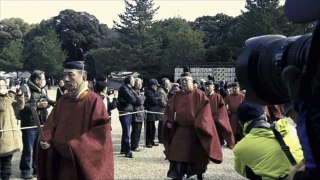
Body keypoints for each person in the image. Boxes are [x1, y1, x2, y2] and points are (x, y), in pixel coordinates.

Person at [36, 61, 114, 179]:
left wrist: (74, 146)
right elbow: (50, 125)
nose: (66, 79)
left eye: (71, 75)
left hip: (81, 162)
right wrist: (45, 138)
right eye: (64, 75)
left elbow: (101, 134)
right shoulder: (63, 101)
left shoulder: (94, 101)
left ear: (83, 77)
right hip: (61, 163)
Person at [163, 72, 222, 180]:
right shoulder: (176, 96)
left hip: (195, 131)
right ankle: (177, 174)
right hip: (179, 130)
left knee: (195, 154)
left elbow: (205, 113)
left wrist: (199, 124)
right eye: (182, 80)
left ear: (192, 81)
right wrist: (169, 121)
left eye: (187, 80)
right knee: (177, 153)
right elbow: (168, 110)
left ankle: (196, 174)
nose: (184, 82)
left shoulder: (200, 95)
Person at [233, 102, 304, 179]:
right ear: (265, 116)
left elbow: (241, 171)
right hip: (302, 175)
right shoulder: (289, 128)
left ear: (240, 123)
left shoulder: (240, 147)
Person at [19, 70, 54, 179]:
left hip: (42, 123)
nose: (45, 81)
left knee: (38, 148)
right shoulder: (25, 89)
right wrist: (37, 105)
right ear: (37, 80)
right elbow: (21, 106)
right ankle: (25, 171)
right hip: (30, 124)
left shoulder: (42, 89)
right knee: (28, 149)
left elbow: (46, 100)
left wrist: (52, 103)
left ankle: (36, 169)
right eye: (43, 79)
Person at [0, 77, 25, 180]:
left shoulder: (7, 97)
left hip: (8, 137)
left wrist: (19, 94)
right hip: (1, 136)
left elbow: (20, 106)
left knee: (7, 165)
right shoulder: (6, 98)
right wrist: (11, 93)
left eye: (4, 85)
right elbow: (2, 106)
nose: (3, 88)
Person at [204, 80, 235, 148]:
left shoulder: (217, 96)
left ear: (213, 87)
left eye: (208, 86)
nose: (207, 88)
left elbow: (222, 108)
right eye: (205, 86)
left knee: (222, 129)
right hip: (206, 118)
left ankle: (225, 142)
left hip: (216, 117)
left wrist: (216, 117)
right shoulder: (203, 96)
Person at [117, 75, 137, 158]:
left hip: (127, 110)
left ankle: (123, 149)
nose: (134, 82)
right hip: (125, 111)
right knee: (126, 132)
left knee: (126, 131)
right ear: (130, 81)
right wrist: (133, 98)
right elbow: (133, 99)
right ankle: (127, 151)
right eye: (133, 80)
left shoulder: (128, 89)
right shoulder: (124, 88)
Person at [144, 79, 161, 148]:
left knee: (153, 127)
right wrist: (157, 99)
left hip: (153, 112)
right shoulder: (148, 92)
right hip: (149, 112)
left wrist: (156, 98)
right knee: (149, 128)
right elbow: (154, 101)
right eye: (156, 86)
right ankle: (148, 142)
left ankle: (152, 140)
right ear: (153, 85)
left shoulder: (152, 92)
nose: (157, 87)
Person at [130, 78, 145, 152]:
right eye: (140, 84)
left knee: (138, 131)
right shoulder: (134, 92)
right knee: (136, 130)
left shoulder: (138, 92)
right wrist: (142, 96)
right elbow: (140, 101)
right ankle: (134, 146)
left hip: (139, 113)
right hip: (136, 113)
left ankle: (136, 144)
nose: (141, 85)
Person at [156, 77, 170, 143]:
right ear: (164, 84)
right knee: (161, 125)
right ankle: (161, 138)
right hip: (161, 111)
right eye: (168, 83)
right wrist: (169, 105)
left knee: (163, 125)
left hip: (164, 110)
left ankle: (162, 138)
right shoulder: (161, 91)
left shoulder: (164, 90)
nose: (169, 84)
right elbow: (162, 102)